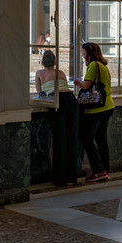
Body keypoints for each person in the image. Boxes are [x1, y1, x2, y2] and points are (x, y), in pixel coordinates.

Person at [34, 49, 79, 188]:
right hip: (71, 100)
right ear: (55, 62)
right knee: (72, 139)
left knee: (60, 141)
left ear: (42, 62)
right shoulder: (61, 72)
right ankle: (72, 177)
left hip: (57, 101)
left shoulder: (39, 73)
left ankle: (60, 180)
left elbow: (40, 93)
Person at [75, 41, 114, 182]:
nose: (83, 56)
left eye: (84, 54)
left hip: (96, 109)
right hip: (108, 106)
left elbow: (87, 85)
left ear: (90, 54)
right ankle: (105, 169)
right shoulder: (104, 66)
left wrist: (78, 82)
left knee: (86, 138)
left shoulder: (93, 65)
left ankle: (98, 171)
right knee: (101, 140)